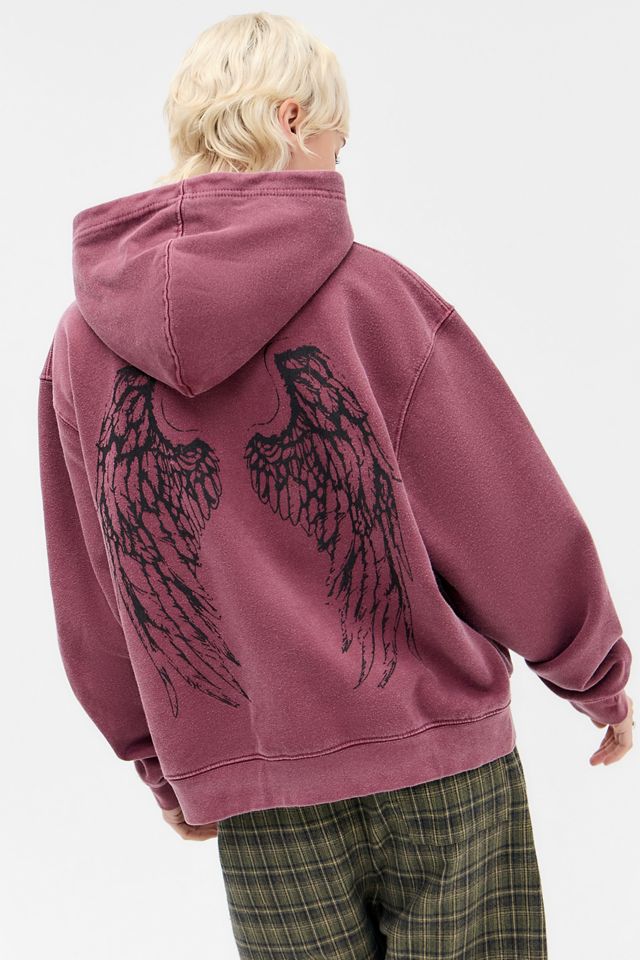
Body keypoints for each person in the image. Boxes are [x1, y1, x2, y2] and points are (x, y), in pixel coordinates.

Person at [37, 11, 634, 959]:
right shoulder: (370, 298)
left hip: (263, 793)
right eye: (335, 141)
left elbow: (100, 587)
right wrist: (594, 674)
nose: (337, 165)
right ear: (289, 120)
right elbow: (500, 510)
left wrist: (160, 761)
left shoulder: (82, 346)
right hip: (440, 767)